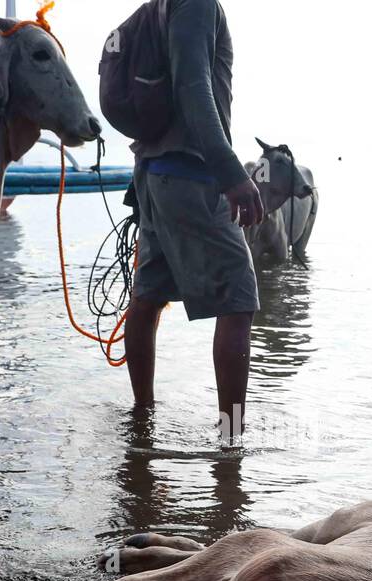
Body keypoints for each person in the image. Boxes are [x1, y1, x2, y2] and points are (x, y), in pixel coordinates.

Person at [124, 0, 263, 440]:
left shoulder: (163, 5)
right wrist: (231, 173)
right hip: (191, 174)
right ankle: (232, 442)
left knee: (147, 297)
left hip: (152, 173)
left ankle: (141, 423)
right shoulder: (197, 3)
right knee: (238, 300)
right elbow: (193, 88)